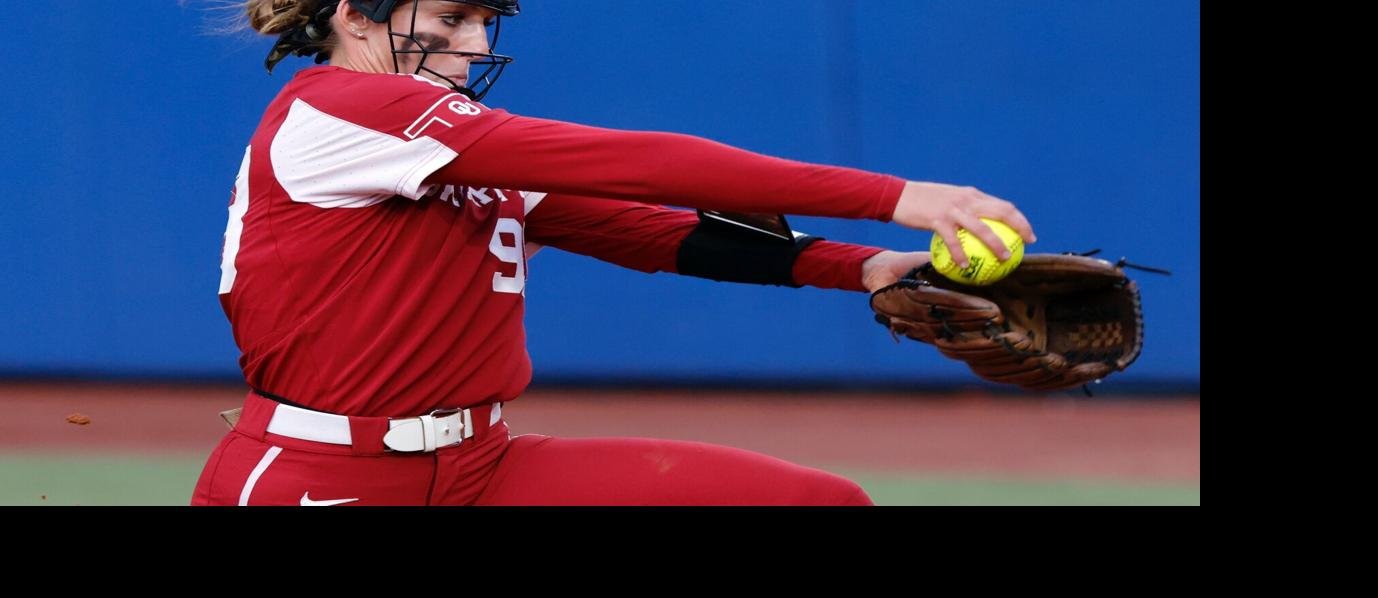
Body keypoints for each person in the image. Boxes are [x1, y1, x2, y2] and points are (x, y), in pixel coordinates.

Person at [190, 0, 1036, 506]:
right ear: (352, 13)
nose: (476, 45)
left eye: (483, 21)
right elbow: (633, 162)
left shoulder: (436, 147)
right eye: (450, 17)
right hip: (325, 474)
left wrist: (860, 266)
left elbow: (642, 228)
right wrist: (901, 199)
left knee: (816, 500)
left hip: (483, 469)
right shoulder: (343, 109)